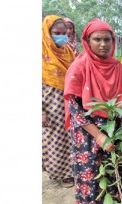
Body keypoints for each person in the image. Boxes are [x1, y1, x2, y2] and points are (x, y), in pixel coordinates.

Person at [64, 18, 122, 204]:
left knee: (119, 172)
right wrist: (99, 136)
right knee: (92, 178)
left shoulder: (120, 69)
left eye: (107, 39)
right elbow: (74, 108)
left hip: (117, 131)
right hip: (89, 134)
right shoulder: (79, 66)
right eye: (97, 39)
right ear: (87, 40)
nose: (103, 44)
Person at [42, 15, 75, 188]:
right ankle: (61, 174)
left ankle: (71, 170)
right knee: (55, 139)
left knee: (71, 137)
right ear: (48, 33)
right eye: (56, 33)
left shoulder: (68, 51)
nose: (62, 36)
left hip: (68, 100)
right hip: (49, 103)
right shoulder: (41, 53)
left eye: (64, 33)